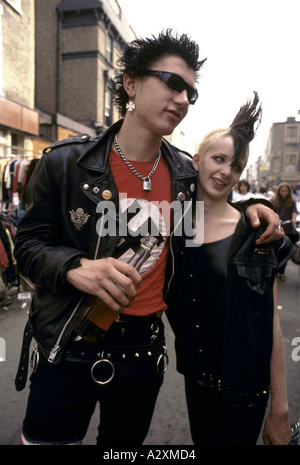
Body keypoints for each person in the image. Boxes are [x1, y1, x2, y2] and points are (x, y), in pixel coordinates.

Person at [14, 30, 282, 446]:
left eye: (190, 94)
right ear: (132, 83)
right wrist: (74, 268)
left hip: (142, 354)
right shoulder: (66, 164)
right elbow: (27, 246)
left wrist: (253, 208)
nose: (181, 100)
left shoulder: (186, 178)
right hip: (69, 344)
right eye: (172, 82)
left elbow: (218, 204)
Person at [166, 92, 294, 445]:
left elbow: (270, 323)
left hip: (246, 391)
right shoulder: (174, 225)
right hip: (197, 383)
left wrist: (280, 409)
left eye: (235, 166)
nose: (225, 172)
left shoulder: (255, 233)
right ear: (197, 160)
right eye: (218, 159)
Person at [272, 182, 299, 280]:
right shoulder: (274, 201)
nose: (284, 193)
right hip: (278, 228)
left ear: (289, 192)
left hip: (288, 229)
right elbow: (270, 212)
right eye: (282, 191)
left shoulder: (292, 201)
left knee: (286, 252)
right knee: (276, 252)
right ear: (279, 191)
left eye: (286, 191)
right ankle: (274, 270)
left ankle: (282, 272)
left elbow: (294, 211)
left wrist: (293, 218)